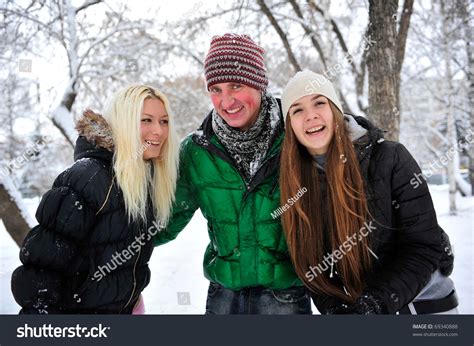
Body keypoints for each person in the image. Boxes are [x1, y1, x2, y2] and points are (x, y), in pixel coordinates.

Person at [153, 34, 311, 314]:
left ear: (259, 83)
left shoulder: (296, 136)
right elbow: (164, 220)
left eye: (236, 85)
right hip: (224, 298)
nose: (226, 101)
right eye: (215, 89)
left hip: (284, 297)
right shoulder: (196, 150)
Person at [279, 70, 458, 314]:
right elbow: (309, 265)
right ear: (290, 126)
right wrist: (336, 309)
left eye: (319, 102)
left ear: (335, 110)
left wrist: (373, 305)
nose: (310, 115)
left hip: (423, 305)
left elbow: (422, 247)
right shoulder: (293, 183)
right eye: (297, 109)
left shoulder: (391, 158)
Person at [11, 85, 179, 314]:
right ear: (123, 123)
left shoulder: (145, 178)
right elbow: (41, 273)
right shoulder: (88, 178)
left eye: (164, 121)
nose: (158, 131)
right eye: (146, 120)